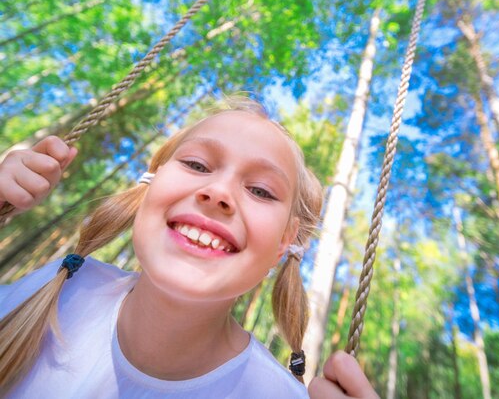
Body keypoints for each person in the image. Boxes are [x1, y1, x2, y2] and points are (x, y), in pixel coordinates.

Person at [0, 97, 379, 398]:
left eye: (261, 191)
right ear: (152, 182)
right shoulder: (52, 291)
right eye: (197, 165)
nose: (218, 193)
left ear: (286, 242)